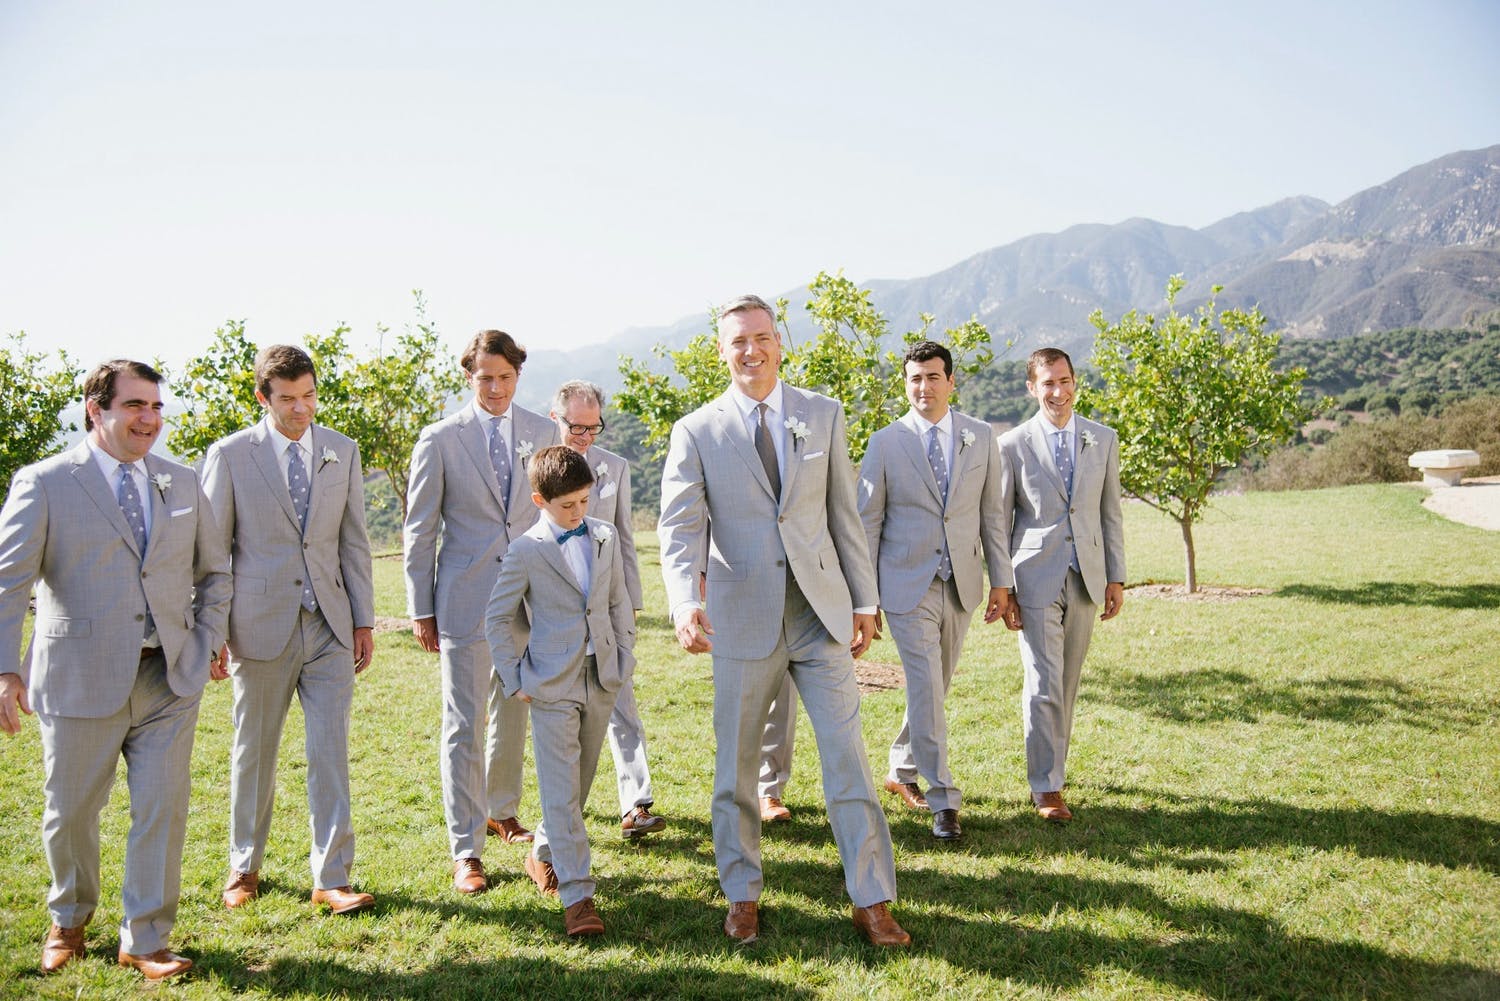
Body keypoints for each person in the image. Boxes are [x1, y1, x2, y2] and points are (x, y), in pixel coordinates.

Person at [658, 293, 909, 947]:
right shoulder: (696, 429)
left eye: (762, 337)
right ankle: (741, 893)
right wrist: (685, 600)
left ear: (779, 341)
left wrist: (863, 600)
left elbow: (842, 515)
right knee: (737, 768)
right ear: (722, 350)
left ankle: (872, 897)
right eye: (738, 340)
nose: (752, 349)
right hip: (741, 618)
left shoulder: (822, 414)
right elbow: (680, 528)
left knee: (848, 758)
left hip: (819, 614)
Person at [0, 360, 231, 980]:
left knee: (163, 808)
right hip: (77, 676)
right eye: (134, 406)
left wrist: (206, 637)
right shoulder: (43, 482)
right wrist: (3, 669)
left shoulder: (181, 483)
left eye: (155, 406)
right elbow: (7, 581)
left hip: (169, 677)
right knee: (71, 809)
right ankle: (68, 920)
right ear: (95, 411)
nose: (149, 419)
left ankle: (146, 937)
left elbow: (214, 572)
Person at [203, 345, 377, 915]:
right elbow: (211, 554)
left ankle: (331, 875)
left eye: (309, 396)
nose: (301, 409)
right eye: (288, 399)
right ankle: (244, 866)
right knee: (255, 751)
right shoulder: (229, 456)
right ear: (263, 397)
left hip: (330, 623)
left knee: (331, 749)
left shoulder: (342, 451)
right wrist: (214, 629)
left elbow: (353, 540)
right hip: (256, 628)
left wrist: (364, 620)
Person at [403, 329, 559, 893]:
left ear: (518, 376)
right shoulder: (440, 439)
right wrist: (421, 608)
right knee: (464, 725)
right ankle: (466, 850)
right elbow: (420, 531)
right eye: (485, 377)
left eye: (505, 377)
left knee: (518, 709)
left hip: (532, 597)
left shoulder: (544, 432)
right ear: (468, 376)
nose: (495, 388)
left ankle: (503, 810)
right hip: (464, 601)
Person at [858, 341, 1012, 840]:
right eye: (914, 379)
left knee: (935, 688)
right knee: (926, 685)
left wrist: (1002, 582)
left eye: (932, 377)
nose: (923, 387)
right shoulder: (884, 443)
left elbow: (992, 515)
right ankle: (944, 799)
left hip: (962, 581)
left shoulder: (981, 436)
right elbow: (868, 524)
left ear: (951, 382)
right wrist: (865, 596)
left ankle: (900, 769)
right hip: (904, 586)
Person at [486, 446, 636, 936]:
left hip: (603, 675)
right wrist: (515, 679)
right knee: (561, 792)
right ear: (540, 500)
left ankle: (543, 854)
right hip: (549, 684)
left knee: (579, 786)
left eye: (585, 501)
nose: (580, 512)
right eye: (568, 505)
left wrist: (624, 655)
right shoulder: (526, 550)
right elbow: (496, 618)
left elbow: (618, 601)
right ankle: (579, 897)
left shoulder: (605, 536)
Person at [997, 347, 1125, 822]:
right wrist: (1003, 585)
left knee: (1067, 682)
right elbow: (999, 520)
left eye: (1065, 380)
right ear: (1032, 388)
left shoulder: (1103, 439)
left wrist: (1116, 576)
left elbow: (1109, 513)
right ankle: (1046, 787)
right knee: (1043, 682)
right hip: (1033, 577)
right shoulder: (1011, 444)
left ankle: (1056, 768)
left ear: (1075, 382)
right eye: (1047, 383)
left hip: (1088, 575)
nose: (1058, 391)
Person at [549, 380, 666, 839]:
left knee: (622, 703)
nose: (584, 436)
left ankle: (636, 805)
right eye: (575, 426)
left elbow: (625, 540)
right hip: (553, 611)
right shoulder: (535, 465)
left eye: (592, 426)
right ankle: (555, 813)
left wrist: (630, 605)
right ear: (555, 418)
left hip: (607, 609)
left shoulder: (615, 467)